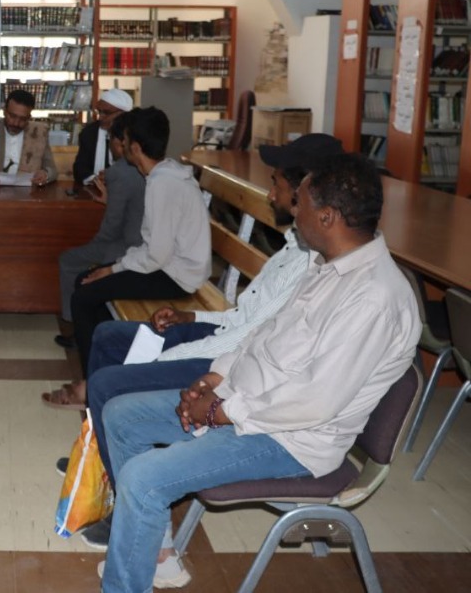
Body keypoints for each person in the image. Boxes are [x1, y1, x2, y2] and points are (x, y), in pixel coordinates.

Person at [97, 153, 419, 592]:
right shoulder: (327, 265)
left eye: (301, 203)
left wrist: (220, 413)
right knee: (120, 415)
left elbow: (314, 402)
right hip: (247, 405)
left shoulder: (374, 299)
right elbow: (264, 335)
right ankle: (153, 553)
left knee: (142, 478)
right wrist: (215, 378)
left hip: (290, 439)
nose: (293, 212)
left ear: (327, 217)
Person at [71, 134, 343, 549]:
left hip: (230, 359)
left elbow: (253, 341)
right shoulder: (293, 247)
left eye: (276, 183)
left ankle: (127, 509)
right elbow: (244, 318)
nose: (270, 194)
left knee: (108, 385)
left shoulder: (312, 266)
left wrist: (183, 354)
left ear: (304, 191)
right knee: (108, 337)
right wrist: (191, 317)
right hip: (224, 336)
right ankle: (101, 465)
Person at [68, 107, 210, 373]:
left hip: (176, 277)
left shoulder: (162, 184)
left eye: (123, 141)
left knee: (84, 295)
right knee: (87, 281)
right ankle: (110, 362)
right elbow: (154, 248)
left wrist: (113, 268)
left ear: (134, 148)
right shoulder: (165, 173)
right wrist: (115, 268)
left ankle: (94, 378)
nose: (120, 146)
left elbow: (156, 256)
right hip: (171, 267)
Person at [51, 112, 145, 354]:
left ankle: (75, 325)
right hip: (142, 242)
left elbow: (111, 228)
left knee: (69, 260)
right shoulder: (147, 165)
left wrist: (92, 247)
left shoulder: (118, 171)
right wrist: (109, 201)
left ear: (120, 142)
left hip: (128, 246)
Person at [0, 89, 58, 187]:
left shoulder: (39, 133)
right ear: (4, 111)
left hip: (30, 191)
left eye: (23, 119)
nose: (16, 123)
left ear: (29, 117)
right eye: (12, 116)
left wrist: (45, 175)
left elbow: (52, 170)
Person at [72, 88, 133, 185]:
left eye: (106, 113)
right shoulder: (89, 133)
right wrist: (95, 179)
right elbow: (80, 169)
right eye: (99, 112)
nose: (100, 117)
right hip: (94, 188)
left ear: (123, 114)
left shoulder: (135, 134)